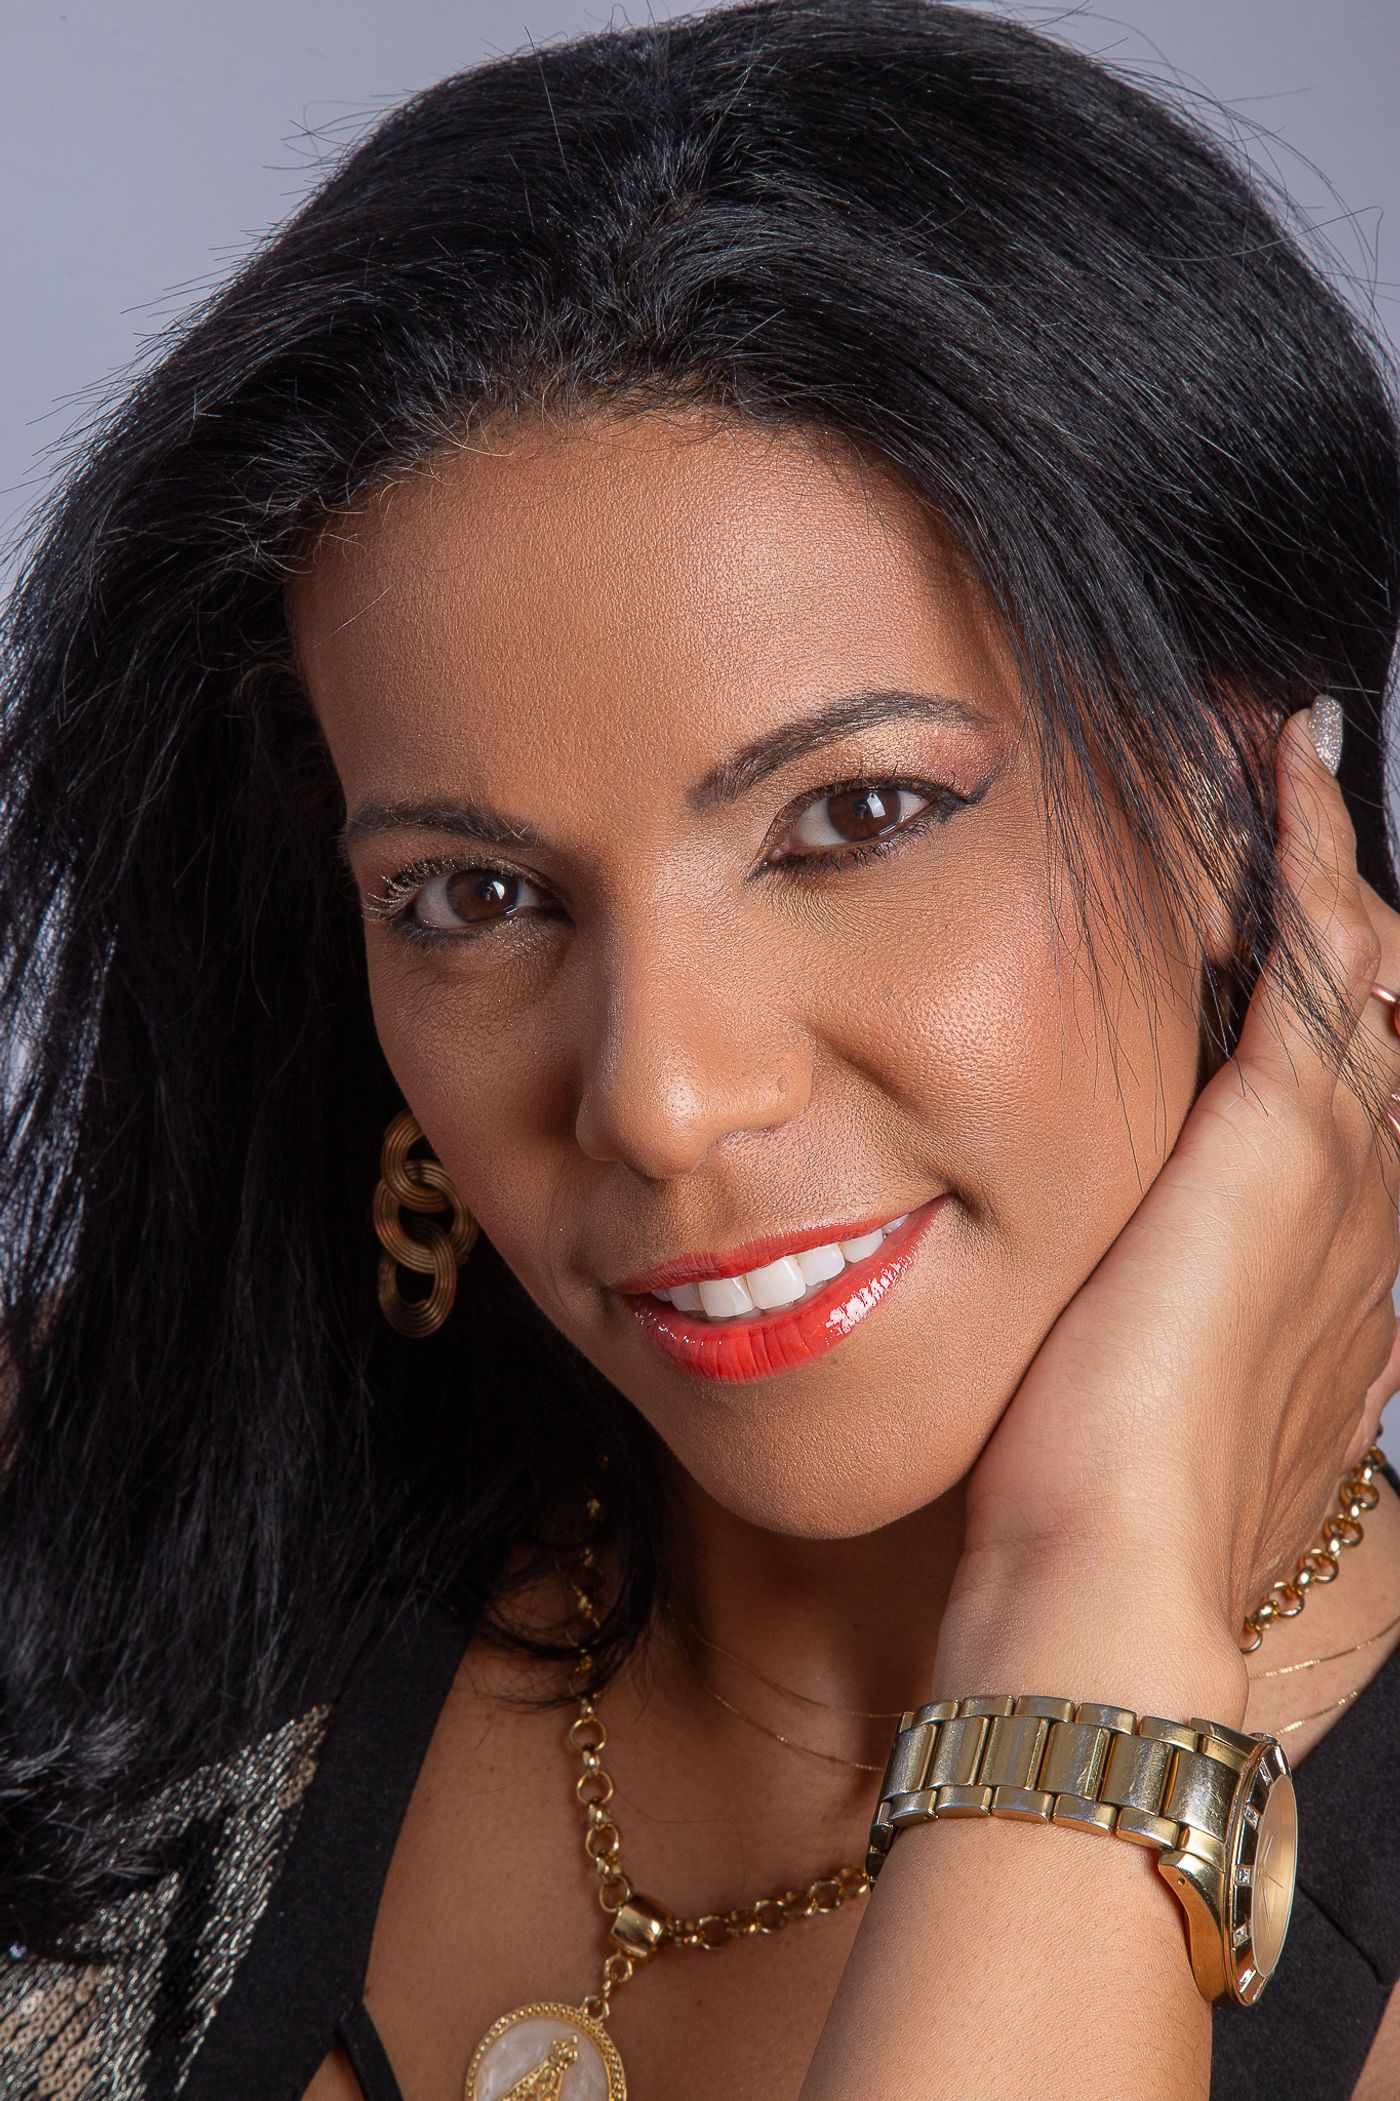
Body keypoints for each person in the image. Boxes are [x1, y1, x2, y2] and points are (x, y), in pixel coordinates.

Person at [2, 0, 1400, 2094]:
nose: (656, 1099)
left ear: (1249, 799)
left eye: (854, 817)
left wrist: (1101, 1584)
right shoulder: (67, 1522)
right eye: (475, 897)